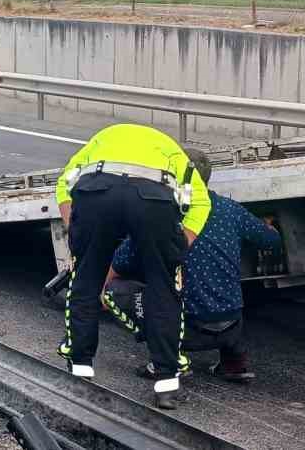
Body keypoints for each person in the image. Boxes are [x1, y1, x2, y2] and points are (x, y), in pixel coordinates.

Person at [54, 124, 211, 409]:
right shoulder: (172, 151)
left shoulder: (99, 140)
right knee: (164, 290)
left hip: (97, 193)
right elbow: (200, 203)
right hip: (153, 199)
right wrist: (174, 253)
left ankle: (80, 367)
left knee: (85, 282)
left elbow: (65, 184)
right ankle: (166, 383)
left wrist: (75, 232)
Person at [102, 151, 282, 384]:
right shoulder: (231, 210)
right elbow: (272, 241)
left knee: (115, 291)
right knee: (220, 290)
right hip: (231, 326)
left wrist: (101, 289)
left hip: (188, 330)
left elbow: (121, 261)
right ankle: (234, 362)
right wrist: (267, 226)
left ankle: (167, 361)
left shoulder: (160, 215)